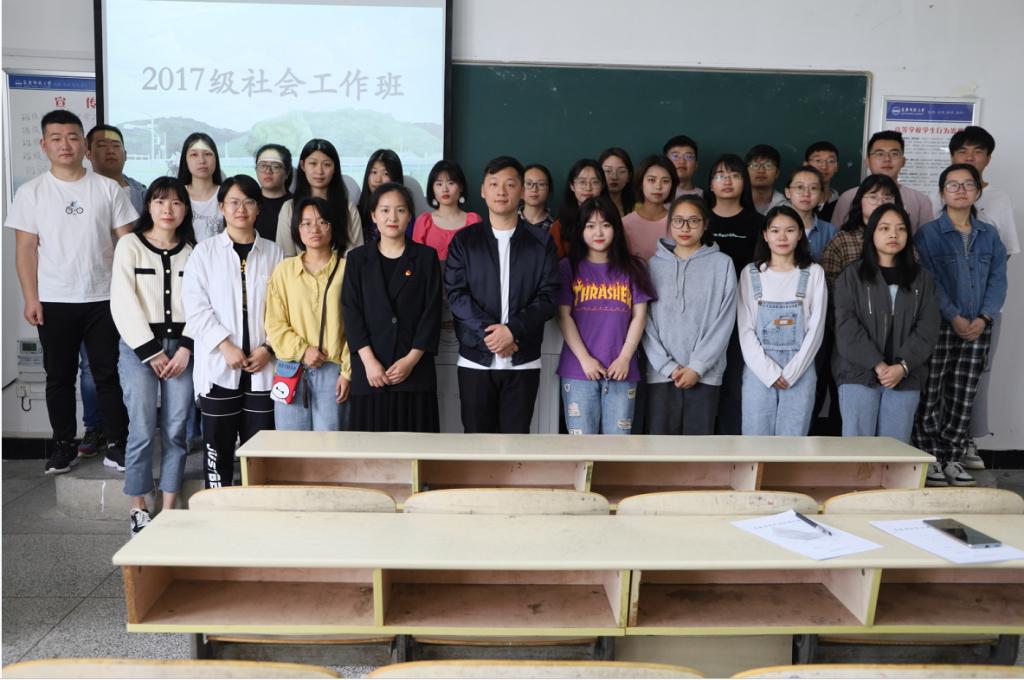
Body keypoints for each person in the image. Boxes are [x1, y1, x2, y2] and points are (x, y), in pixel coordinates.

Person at [6, 109, 137, 475]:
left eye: (73, 137)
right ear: (44, 145)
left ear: (84, 145)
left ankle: (117, 442)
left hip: (104, 298)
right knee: (59, 377)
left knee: (107, 374)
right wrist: (31, 297)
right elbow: (25, 250)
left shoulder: (108, 188)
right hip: (54, 300)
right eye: (57, 138)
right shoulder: (31, 192)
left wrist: (129, 295)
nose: (65, 145)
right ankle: (63, 445)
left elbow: (128, 246)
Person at [446, 156, 561, 434]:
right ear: (483, 191)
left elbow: (549, 297)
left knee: (516, 444)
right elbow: (456, 295)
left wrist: (512, 331)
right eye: (494, 184)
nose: (501, 191)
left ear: (521, 191)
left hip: (523, 359)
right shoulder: (464, 241)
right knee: (476, 443)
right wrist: (493, 337)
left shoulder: (541, 242)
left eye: (510, 184)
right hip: (475, 359)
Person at [183, 175, 282, 488]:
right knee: (218, 450)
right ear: (221, 207)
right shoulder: (204, 252)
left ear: (258, 208)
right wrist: (224, 345)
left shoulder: (274, 253)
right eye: (234, 202)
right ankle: (217, 508)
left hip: (263, 367)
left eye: (249, 202)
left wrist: (268, 347)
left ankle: (258, 508)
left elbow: (284, 309)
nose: (241, 209)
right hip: (219, 367)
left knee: (261, 454)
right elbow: (196, 308)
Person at [109, 177, 196, 534]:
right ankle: (138, 506)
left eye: (176, 202)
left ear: (185, 209)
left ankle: (169, 506)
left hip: (181, 353)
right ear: (148, 206)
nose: (167, 209)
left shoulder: (192, 250)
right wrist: (150, 351)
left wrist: (186, 346)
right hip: (138, 349)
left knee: (176, 429)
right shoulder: (129, 245)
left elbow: (201, 303)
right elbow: (122, 301)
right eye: (160, 201)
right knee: (142, 428)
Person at [913, 163, 1007, 487]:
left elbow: (998, 279)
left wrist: (984, 317)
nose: (961, 190)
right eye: (953, 185)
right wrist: (953, 315)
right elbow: (930, 280)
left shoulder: (989, 234)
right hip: (940, 324)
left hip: (979, 326)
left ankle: (953, 457)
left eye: (968, 184)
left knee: (964, 393)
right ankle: (929, 456)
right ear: (942, 193)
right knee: (931, 390)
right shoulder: (928, 234)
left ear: (978, 192)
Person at [940, 126, 1019, 471]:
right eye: (962, 151)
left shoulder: (999, 200)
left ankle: (967, 438)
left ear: (988, 158)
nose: (970, 157)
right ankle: (936, 442)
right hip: (943, 306)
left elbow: (1004, 258)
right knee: (939, 374)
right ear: (952, 157)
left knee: (977, 373)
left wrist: (984, 312)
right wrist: (951, 308)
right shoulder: (936, 196)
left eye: (978, 152)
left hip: (984, 308)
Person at [832, 204, 940, 443]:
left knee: (896, 447)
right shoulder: (852, 275)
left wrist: (902, 367)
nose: (894, 234)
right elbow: (846, 327)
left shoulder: (922, 278)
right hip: (858, 373)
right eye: (885, 228)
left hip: (906, 375)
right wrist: (879, 365)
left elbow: (928, 328)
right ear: (872, 233)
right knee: (857, 446)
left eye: (901, 229)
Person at [342, 183, 442, 432]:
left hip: (415, 371)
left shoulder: (426, 257)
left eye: (400, 210)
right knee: (371, 448)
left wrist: (411, 360)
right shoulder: (357, 259)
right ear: (373, 216)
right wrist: (369, 362)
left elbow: (432, 313)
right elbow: (351, 313)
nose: (392, 217)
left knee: (416, 445)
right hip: (370, 372)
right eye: (385, 210)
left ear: (409, 215)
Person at [77, 123, 147, 456]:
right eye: (101, 145)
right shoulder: (80, 191)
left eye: (116, 145)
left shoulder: (142, 192)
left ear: (126, 153)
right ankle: (95, 428)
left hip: (137, 292)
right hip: (95, 292)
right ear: (88, 153)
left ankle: (130, 428)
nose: (110, 150)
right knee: (92, 368)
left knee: (135, 360)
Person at [557, 195, 653, 434]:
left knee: (618, 446)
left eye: (606, 225)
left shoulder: (634, 268)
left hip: (621, 369)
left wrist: (625, 357)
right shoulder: (568, 268)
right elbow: (564, 316)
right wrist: (585, 359)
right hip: (579, 369)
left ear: (616, 228)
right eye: (590, 226)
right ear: (580, 230)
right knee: (582, 446)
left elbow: (640, 316)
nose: (598, 232)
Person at [644, 196, 736, 435]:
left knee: (698, 449)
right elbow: (644, 321)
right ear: (669, 224)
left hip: (705, 374)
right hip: (661, 374)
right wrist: (666, 366)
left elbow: (725, 321)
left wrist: (697, 366)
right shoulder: (653, 266)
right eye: (678, 221)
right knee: (660, 449)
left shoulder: (723, 264)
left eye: (693, 221)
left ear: (705, 224)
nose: (685, 228)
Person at [737, 206, 827, 435]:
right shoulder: (751, 273)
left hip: (801, 369)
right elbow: (745, 329)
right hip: (759, 370)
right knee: (755, 441)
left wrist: (792, 372)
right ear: (765, 235)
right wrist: (770, 373)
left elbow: (816, 329)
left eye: (790, 230)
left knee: (793, 443)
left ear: (800, 234)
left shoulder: (814, 272)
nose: (782, 237)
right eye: (775, 231)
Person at [266, 197, 351, 431]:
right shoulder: (284, 270)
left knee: (331, 444)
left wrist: (348, 372)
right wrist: (303, 350)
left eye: (322, 222)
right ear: (298, 229)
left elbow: (357, 326)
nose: (315, 229)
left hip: (333, 369)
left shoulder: (348, 269)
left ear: (333, 227)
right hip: (290, 368)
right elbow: (274, 323)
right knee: (291, 444)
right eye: (306, 223)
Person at [705, 154, 762, 435]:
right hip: (705, 318)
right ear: (710, 184)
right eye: (720, 175)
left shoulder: (759, 223)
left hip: (745, 317)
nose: (727, 181)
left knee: (735, 386)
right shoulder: (699, 221)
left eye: (735, 175)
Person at [831, 131, 933, 231]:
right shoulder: (848, 197)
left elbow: (926, 239)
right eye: (880, 154)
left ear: (903, 161)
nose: (887, 159)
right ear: (867, 161)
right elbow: (835, 235)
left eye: (894, 154)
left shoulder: (921, 201)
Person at [276, 139, 362, 257]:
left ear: (335, 168)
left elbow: (356, 255)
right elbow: (286, 256)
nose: (319, 171)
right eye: (313, 163)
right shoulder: (289, 208)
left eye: (327, 164)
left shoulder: (348, 208)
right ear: (303, 165)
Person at [820, 174, 903, 289]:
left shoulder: (901, 238)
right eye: (873, 197)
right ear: (860, 201)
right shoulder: (841, 241)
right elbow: (828, 287)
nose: (880, 203)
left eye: (887, 198)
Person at [412, 159, 482, 261]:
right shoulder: (424, 221)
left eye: (451, 183)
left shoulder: (473, 221)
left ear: (461, 187)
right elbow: (416, 261)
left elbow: (480, 258)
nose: (445, 189)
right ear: (432, 189)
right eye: (439, 184)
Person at [622, 155, 678, 260]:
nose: (658, 186)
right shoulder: (624, 224)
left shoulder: (678, 223)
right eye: (651, 180)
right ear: (641, 182)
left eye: (665, 181)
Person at [549, 159, 608, 258]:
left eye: (594, 182)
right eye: (582, 182)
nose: (588, 188)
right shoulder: (559, 226)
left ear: (602, 186)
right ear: (572, 186)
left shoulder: (611, 220)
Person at [176, 132, 224, 242]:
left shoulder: (227, 195)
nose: (202, 161)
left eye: (207, 154)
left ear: (216, 158)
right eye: (194, 155)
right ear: (185, 160)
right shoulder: (177, 195)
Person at [783, 166, 837, 263]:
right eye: (800, 187)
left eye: (813, 188)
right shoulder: (774, 227)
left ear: (821, 195)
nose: (806, 194)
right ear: (788, 192)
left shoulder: (830, 231)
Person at [357, 149, 404, 242]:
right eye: (374, 172)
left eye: (385, 173)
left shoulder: (403, 213)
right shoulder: (358, 212)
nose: (378, 179)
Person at [253, 143, 293, 241]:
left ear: (287, 172)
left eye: (275, 166)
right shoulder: (248, 203)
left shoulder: (296, 204)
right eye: (262, 165)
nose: (268, 171)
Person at [805, 141, 841, 223]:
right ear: (806, 165)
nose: (824, 166)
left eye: (830, 161)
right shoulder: (795, 202)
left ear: (837, 167)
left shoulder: (842, 202)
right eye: (818, 160)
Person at [746, 144, 786, 215]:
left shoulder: (785, 206)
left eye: (768, 165)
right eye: (755, 165)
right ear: (746, 171)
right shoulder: (734, 202)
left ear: (777, 173)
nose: (761, 171)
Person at [599, 147, 636, 216]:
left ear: (629, 176)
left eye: (621, 171)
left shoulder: (637, 209)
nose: (614, 177)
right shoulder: (592, 207)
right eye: (608, 171)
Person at [519, 163, 554, 231]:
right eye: (529, 183)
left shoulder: (556, 226)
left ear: (549, 190)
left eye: (541, 184)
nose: (534, 189)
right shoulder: (508, 221)